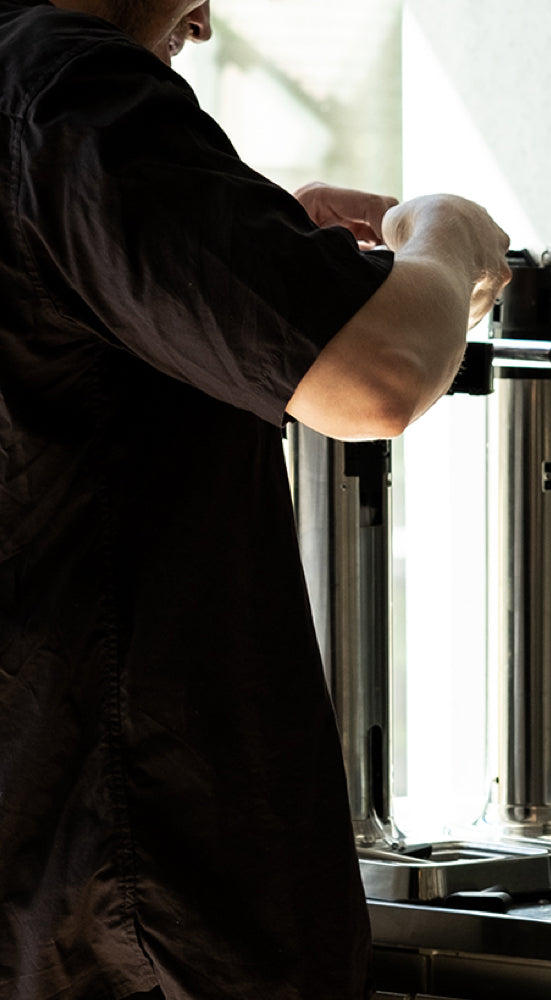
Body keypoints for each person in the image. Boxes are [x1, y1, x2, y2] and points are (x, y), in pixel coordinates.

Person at [0, 2, 511, 998]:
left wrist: (253, 248)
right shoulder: (73, 92)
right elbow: (378, 377)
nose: (200, 20)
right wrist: (449, 237)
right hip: (137, 892)